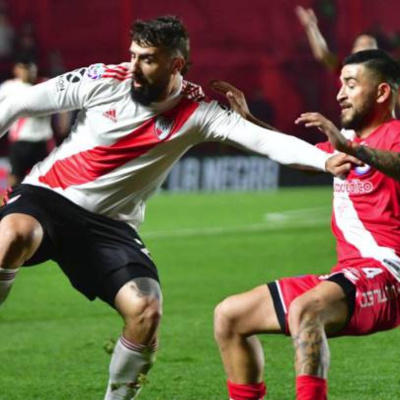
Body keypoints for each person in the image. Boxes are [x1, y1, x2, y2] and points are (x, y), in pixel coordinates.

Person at [0, 16, 349, 400]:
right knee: (15, 233)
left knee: (146, 309)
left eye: (147, 59)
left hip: (109, 226)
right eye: (132, 55)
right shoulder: (104, 79)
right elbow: (17, 103)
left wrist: (325, 162)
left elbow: (263, 141)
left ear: (176, 64)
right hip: (46, 198)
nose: (133, 67)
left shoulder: (198, 112)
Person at [213, 49, 400, 400]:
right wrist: (248, 121)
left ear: (382, 92)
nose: (339, 94)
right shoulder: (348, 142)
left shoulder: (394, 134)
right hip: (350, 274)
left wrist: (355, 150)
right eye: (340, 84)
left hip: (390, 274)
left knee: (305, 310)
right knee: (230, 316)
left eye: (350, 84)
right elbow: (302, 157)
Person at [0, 61, 53, 186]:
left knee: (44, 177)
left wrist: (63, 121)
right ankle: (9, 203)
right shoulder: (10, 87)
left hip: (42, 141)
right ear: (16, 70)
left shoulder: (45, 83)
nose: (28, 72)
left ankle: (41, 204)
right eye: (23, 69)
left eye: (30, 69)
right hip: (21, 140)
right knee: (15, 175)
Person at [295, 5, 378, 72]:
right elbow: (323, 55)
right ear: (353, 52)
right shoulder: (345, 72)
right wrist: (311, 26)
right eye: (360, 45)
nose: (364, 48)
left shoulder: (385, 77)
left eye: (369, 44)